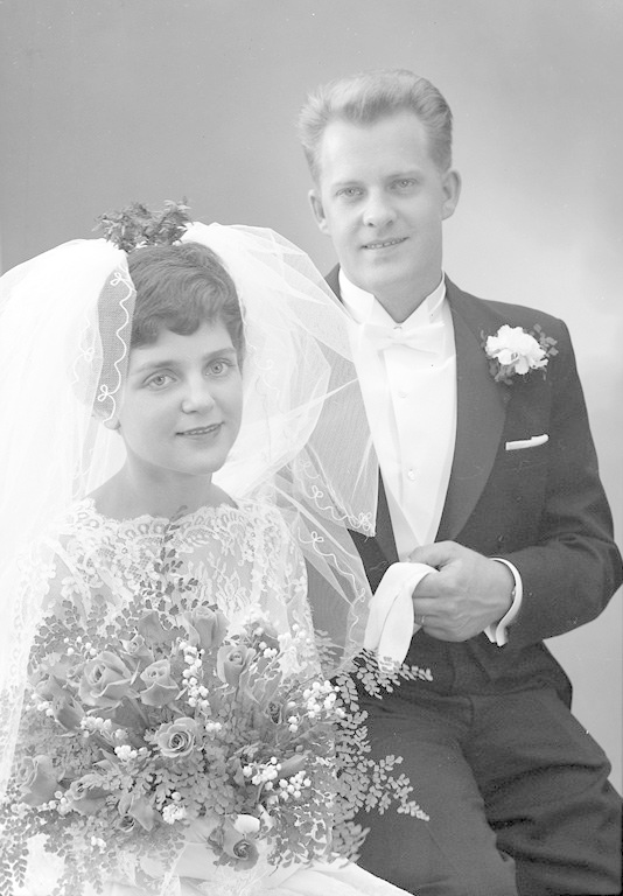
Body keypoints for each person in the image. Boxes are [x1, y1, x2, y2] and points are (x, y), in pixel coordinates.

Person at [0, 207, 415, 896]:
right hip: (109, 868)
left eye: (217, 365)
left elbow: (299, 734)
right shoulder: (70, 552)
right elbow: (36, 769)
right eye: (161, 377)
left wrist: (250, 817)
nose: (201, 399)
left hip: (250, 859)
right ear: (109, 400)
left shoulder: (260, 535)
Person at [297, 68, 623, 896]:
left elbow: (591, 552)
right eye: (350, 191)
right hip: (365, 712)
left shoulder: (532, 345)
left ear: (447, 190)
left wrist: (504, 587)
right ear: (318, 209)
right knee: (464, 887)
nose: (377, 213)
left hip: (516, 694)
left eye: (403, 183)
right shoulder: (279, 360)